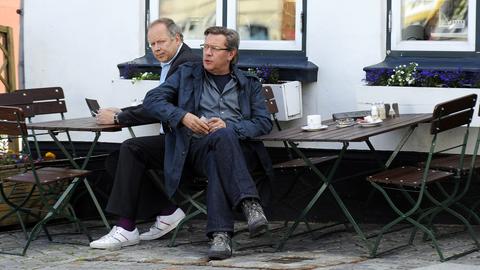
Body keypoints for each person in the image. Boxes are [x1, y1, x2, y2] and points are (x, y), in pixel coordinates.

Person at [143, 26, 273, 260]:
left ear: (231, 53)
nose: (207, 53)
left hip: (241, 152)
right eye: (205, 47)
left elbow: (263, 123)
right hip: (197, 151)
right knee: (216, 149)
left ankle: (221, 236)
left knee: (222, 142)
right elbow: (152, 100)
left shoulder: (249, 83)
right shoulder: (187, 74)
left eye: (214, 48)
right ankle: (250, 205)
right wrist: (183, 117)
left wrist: (231, 127)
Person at [89, 18, 201, 250]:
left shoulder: (186, 64)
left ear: (177, 38)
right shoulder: (174, 61)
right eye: (152, 44)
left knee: (131, 148)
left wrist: (119, 118)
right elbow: (159, 102)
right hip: (175, 140)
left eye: (161, 42)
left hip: (189, 144)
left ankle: (126, 227)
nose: (157, 48)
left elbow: (162, 106)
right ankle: (168, 211)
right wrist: (124, 111)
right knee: (115, 159)